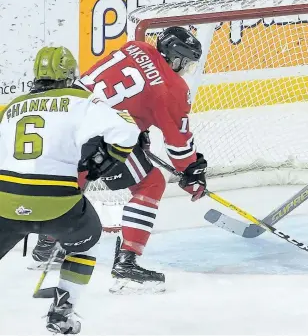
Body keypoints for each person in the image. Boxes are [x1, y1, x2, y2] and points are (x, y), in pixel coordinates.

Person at [30, 26, 209, 294]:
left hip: (66, 117)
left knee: (74, 183)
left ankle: (46, 243)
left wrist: (140, 130)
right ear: (177, 59)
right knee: (151, 184)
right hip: (100, 134)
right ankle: (127, 263)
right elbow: (178, 144)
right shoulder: (172, 87)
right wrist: (192, 174)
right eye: (187, 64)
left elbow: (126, 95)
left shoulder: (136, 48)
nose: (186, 71)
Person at [0, 46, 140, 333]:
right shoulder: (82, 101)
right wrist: (109, 160)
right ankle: (62, 312)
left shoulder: (11, 106)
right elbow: (127, 131)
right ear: (70, 74)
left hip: (5, 203)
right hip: (59, 206)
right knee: (87, 241)